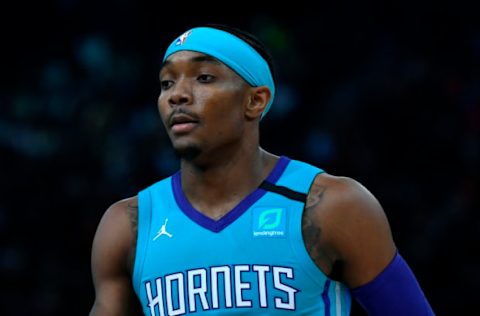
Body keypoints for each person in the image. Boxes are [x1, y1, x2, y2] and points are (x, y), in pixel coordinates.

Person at [89, 24, 435, 315]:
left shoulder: (333, 206)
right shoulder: (128, 225)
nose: (177, 95)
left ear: (255, 101)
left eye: (204, 77)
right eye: (167, 83)